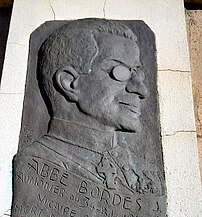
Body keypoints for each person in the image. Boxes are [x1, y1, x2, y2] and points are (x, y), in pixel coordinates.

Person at [16, 18, 157, 194]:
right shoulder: (35, 164)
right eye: (119, 71)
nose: (142, 90)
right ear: (69, 83)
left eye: (137, 73)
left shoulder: (137, 170)